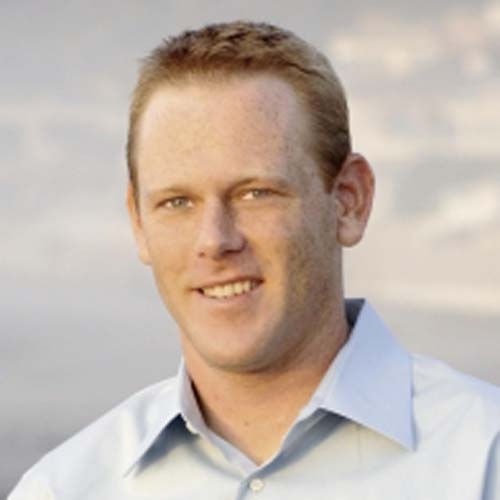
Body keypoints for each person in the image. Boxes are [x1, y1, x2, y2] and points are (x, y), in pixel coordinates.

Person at [9, 21, 500, 499]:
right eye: (177, 202)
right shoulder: (62, 488)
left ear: (349, 201)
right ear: (138, 223)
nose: (214, 241)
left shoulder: (484, 459)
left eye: (255, 193)